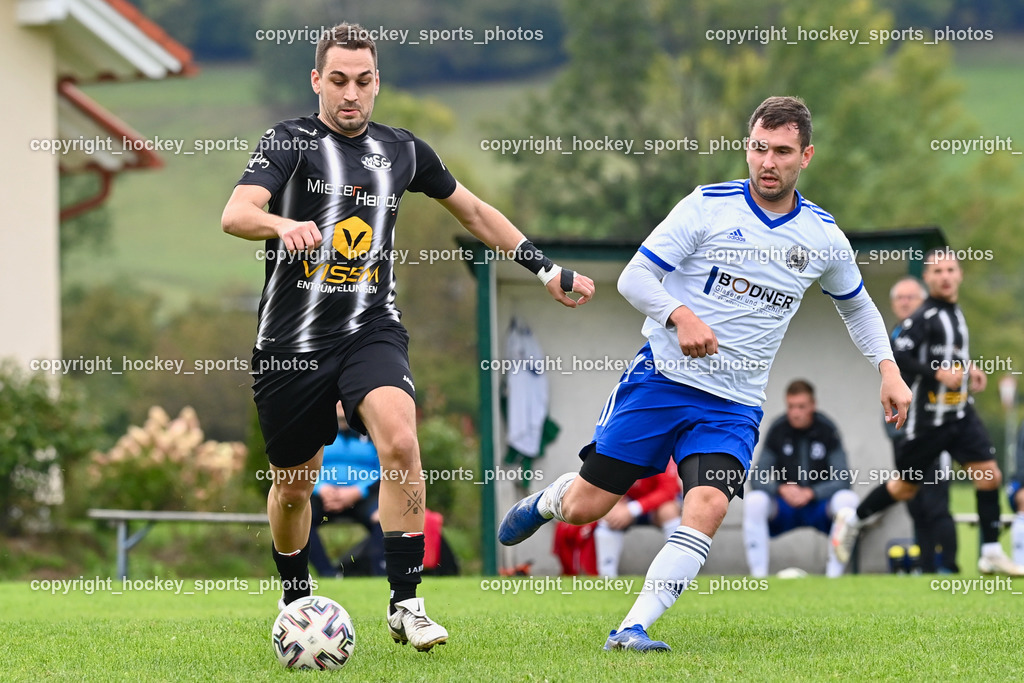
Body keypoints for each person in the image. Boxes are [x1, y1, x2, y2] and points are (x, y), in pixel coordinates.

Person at [221, 22, 595, 652]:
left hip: (371, 329)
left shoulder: (402, 151)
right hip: (291, 344)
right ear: (317, 80)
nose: (351, 94)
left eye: (363, 82)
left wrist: (545, 266)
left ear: (376, 83)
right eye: (337, 80)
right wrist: (282, 225)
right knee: (293, 484)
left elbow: (473, 212)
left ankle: (407, 603)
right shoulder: (288, 142)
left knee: (400, 440)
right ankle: (295, 596)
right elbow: (236, 213)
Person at [498, 96, 912, 651]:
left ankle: (632, 627)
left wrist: (887, 368)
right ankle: (548, 501)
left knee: (709, 505)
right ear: (748, 147)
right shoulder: (706, 206)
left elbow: (857, 306)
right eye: (759, 148)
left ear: (805, 156)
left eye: (782, 152)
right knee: (586, 507)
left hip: (733, 405)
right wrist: (679, 312)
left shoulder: (822, 236)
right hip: (661, 381)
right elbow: (634, 278)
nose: (768, 162)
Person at [831, 249, 1024, 576]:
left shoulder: (956, 314)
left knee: (989, 475)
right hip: (926, 423)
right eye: (938, 272)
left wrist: (968, 369)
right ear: (928, 279)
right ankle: (854, 520)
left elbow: (951, 355)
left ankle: (990, 551)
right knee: (905, 487)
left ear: (959, 275)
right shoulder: (923, 317)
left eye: (951, 270)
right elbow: (898, 354)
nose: (945, 276)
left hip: (960, 415)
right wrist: (937, 375)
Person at [743, 379, 858, 578]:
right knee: (754, 501)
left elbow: (844, 479)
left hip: (818, 506)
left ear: (813, 405)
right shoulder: (778, 429)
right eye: (791, 407)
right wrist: (781, 489)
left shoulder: (827, 429)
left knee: (848, 502)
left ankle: (834, 578)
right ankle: (758, 577)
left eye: (801, 406)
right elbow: (757, 477)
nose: (796, 412)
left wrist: (812, 492)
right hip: (785, 506)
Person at [888, 276, 957, 573]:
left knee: (936, 501)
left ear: (923, 301)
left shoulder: (937, 329)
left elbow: (956, 360)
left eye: (911, 297)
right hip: (903, 432)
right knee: (913, 501)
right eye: (900, 298)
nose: (905, 303)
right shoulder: (895, 335)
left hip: (934, 428)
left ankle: (950, 568)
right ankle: (927, 568)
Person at [309, 402, 384, 578]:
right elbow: (302, 467)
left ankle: (381, 574)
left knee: (385, 517)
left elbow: (385, 469)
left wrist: (358, 490)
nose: (340, 403)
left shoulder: (373, 431)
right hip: (322, 496)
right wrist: (320, 487)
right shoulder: (313, 430)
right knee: (299, 519)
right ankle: (328, 574)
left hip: (363, 497)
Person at [594, 463, 681, 577]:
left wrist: (633, 509)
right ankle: (606, 576)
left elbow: (668, 490)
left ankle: (677, 573)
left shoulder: (662, 452)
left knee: (668, 510)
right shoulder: (619, 452)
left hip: (657, 508)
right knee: (610, 512)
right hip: (629, 504)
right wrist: (618, 502)